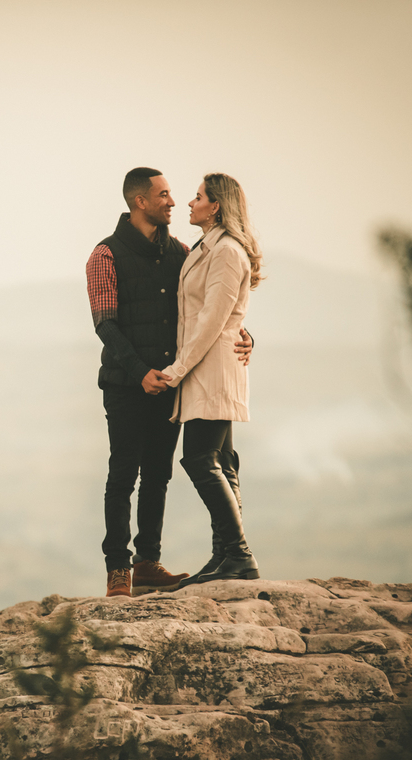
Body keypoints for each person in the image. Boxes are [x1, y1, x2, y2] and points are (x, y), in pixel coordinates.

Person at [86, 168, 253, 598]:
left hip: (171, 383)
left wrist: (245, 335)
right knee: (122, 474)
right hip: (127, 383)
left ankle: (147, 564)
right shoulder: (104, 255)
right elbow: (105, 324)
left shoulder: (183, 251)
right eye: (164, 195)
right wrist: (140, 372)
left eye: (177, 194)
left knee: (158, 474)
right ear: (140, 202)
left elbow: (218, 304)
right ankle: (118, 570)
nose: (173, 202)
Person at [157, 173, 263, 585]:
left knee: (200, 459)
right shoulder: (208, 248)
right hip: (209, 365)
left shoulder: (226, 252)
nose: (189, 203)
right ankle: (225, 557)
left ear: (215, 206)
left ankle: (238, 555)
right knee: (221, 462)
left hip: (212, 367)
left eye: (198, 197)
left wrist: (177, 370)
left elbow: (213, 318)